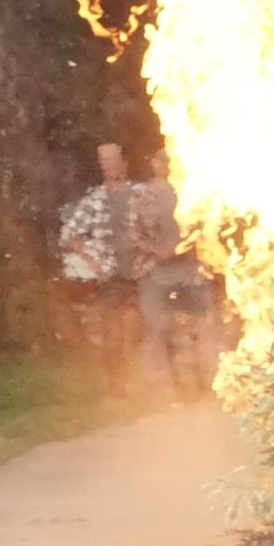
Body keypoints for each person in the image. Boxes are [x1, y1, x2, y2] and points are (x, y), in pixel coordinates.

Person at [132, 149, 219, 399]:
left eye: (170, 161)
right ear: (153, 163)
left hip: (191, 270)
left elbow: (208, 224)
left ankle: (207, 383)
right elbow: (130, 233)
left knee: (201, 325)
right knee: (160, 329)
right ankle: (171, 390)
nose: (166, 165)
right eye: (162, 160)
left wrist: (186, 245)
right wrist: (156, 250)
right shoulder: (142, 194)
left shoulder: (192, 188)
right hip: (156, 273)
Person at [58, 141, 140, 396]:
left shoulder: (139, 195)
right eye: (103, 160)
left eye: (112, 158)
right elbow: (69, 234)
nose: (108, 164)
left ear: (123, 161)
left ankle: (151, 384)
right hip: (111, 277)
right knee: (112, 334)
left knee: (145, 329)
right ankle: (118, 386)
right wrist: (93, 263)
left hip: (142, 273)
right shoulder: (95, 200)